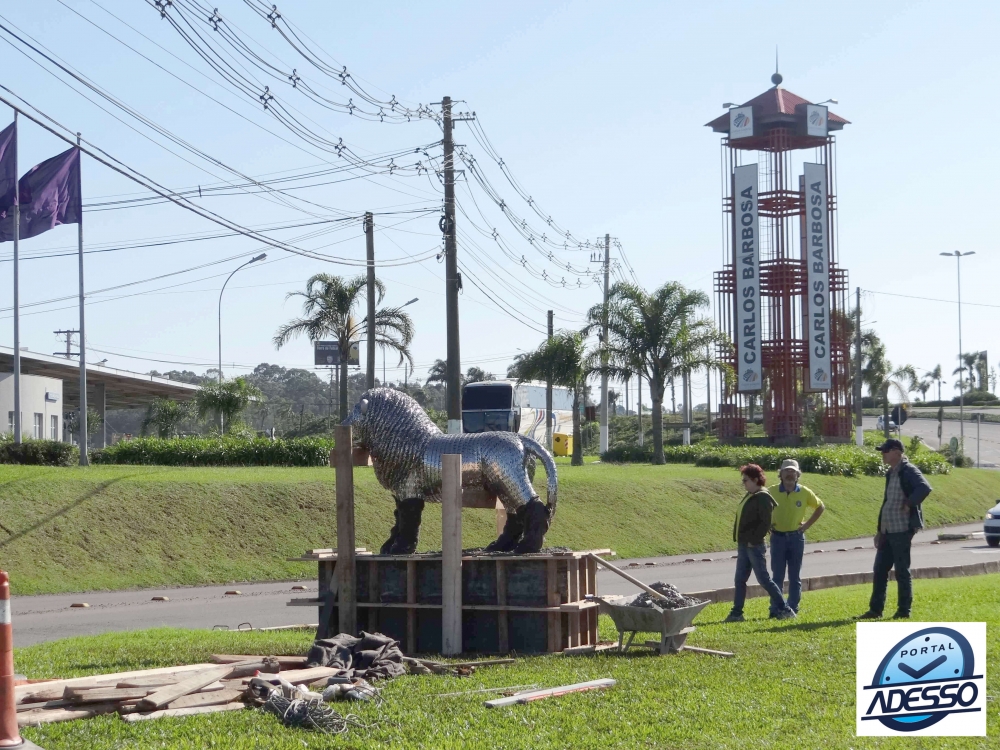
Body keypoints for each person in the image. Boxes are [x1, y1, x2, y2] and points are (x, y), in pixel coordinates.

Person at [857, 438, 932, 620]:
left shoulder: (909, 470)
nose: (882, 454)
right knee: (880, 569)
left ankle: (903, 611)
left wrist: (909, 503)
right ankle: (875, 610)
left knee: (901, 571)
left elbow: (925, 487)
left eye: (885, 451)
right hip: (888, 530)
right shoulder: (891, 473)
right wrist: (879, 530)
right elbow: (887, 502)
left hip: (902, 529)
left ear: (897, 452)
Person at [725, 464, 796, 622]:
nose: (743, 483)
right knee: (739, 579)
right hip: (744, 544)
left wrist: (753, 540)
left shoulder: (763, 497)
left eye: (746, 480)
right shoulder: (751, 494)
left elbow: (765, 523)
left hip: (754, 545)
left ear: (756, 480)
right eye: (743, 480)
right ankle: (736, 613)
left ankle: (785, 609)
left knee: (764, 580)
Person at [769, 458, 825, 617]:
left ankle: (791, 608)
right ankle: (776, 609)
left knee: (794, 576)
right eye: (786, 470)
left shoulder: (805, 492)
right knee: (777, 576)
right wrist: (766, 524)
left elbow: (820, 506)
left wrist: (807, 524)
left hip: (796, 537)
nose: (789, 474)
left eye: (793, 471)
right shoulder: (771, 491)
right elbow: (760, 508)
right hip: (777, 537)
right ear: (780, 474)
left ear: (798, 474)